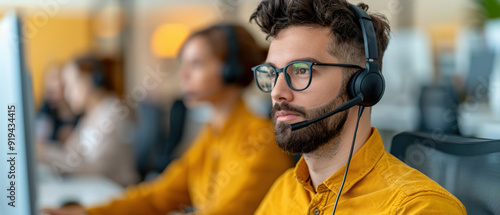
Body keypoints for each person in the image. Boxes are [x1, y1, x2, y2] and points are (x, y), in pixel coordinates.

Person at [42, 24, 293, 215]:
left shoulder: (261, 141)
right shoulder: (213, 133)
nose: (183, 75)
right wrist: (86, 212)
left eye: (195, 64)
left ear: (231, 70)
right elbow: (160, 195)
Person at [249, 0, 467, 214]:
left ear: (362, 85)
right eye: (272, 73)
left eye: (301, 70)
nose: (277, 92)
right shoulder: (283, 191)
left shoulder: (419, 208)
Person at [38, 55, 140, 186]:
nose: (67, 94)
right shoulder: (91, 115)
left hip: (119, 192)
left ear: (90, 81)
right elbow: (70, 153)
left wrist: (44, 152)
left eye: (70, 85)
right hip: (99, 190)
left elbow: (94, 169)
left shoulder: (113, 114)